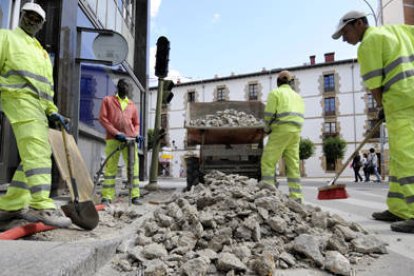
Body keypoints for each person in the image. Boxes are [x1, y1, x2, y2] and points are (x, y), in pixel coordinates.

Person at [332, 10, 414, 233]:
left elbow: (375, 85)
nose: (345, 39)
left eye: (346, 33)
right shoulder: (396, 30)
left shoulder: (368, 43)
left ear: (359, 24)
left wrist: (383, 107)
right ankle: (399, 208)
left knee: (407, 157)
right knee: (398, 157)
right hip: (409, 97)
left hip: (401, 102)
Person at [0, 3, 71, 228]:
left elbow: (46, 89)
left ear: (41, 25)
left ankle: (10, 206)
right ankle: (41, 205)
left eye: (36, 19)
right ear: (21, 16)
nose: (31, 20)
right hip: (18, 98)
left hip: (38, 107)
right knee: (37, 149)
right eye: (28, 16)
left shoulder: (41, 52)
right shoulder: (6, 37)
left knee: (33, 155)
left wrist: (53, 112)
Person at [260, 70, 305, 203]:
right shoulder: (298, 97)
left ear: (278, 82)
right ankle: (296, 197)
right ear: (291, 83)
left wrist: (266, 129)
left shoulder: (275, 93)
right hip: (295, 132)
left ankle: (269, 194)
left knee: (268, 161)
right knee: (293, 164)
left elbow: (268, 115)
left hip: (281, 130)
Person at [99, 78, 143, 205]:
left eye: (128, 86)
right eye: (124, 85)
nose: (126, 88)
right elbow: (103, 119)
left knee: (133, 168)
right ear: (118, 87)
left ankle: (135, 196)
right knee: (110, 167)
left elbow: (136, 123)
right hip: (113, 139)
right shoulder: (108, 100)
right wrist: (116, 133)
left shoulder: (132, 105)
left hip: (129, 140)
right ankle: (107, 197)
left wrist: (136, 134)